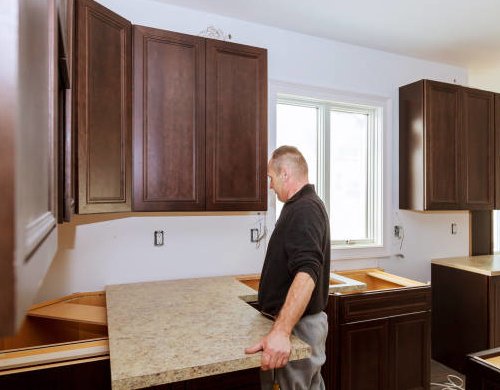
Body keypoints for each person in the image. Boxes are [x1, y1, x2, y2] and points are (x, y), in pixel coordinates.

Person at [245, 145, 331, 389]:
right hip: (299, 325)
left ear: (285, 173)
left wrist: (282, 332)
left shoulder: (304, 209)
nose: (270, 185)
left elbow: (307, 272)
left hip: (298, 328)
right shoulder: (299, 206)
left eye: (270, 178)